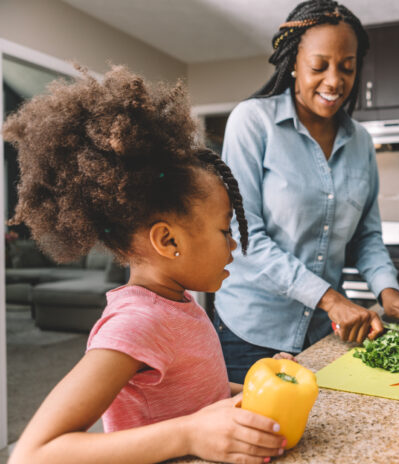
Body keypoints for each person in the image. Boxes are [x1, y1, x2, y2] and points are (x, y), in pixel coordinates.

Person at [5, 66, 289, 464]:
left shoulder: (179, 304)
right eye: (225, 231)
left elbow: (193, 394)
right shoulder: (136, 323)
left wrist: (257, 390)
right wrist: (188, 435)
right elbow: (35, 454)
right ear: (168, 240)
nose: (234, 245)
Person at [215, 0, 399, 383]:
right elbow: (245, 233)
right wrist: (331, 299)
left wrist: (389, 292)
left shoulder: (361, 143)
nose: (334, 81)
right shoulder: (253, 123)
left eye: (347, 67)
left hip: (322, 336)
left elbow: (367, 237)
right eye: (319, 66)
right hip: (250, 333)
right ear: (293, 63)